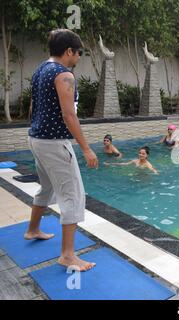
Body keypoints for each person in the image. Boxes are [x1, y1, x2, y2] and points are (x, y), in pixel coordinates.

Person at [26, 29, 97, 271]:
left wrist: (35, 130)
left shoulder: (40, 70)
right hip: (55, 143)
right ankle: (67, 255)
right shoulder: (64, 74)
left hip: (36, 138)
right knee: (74, 195)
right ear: (69, 51)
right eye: (78, 54)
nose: (78, 58)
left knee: (46, 186)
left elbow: (33, 106)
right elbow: (69, 115)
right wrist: (86, 149)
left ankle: (32, 229)